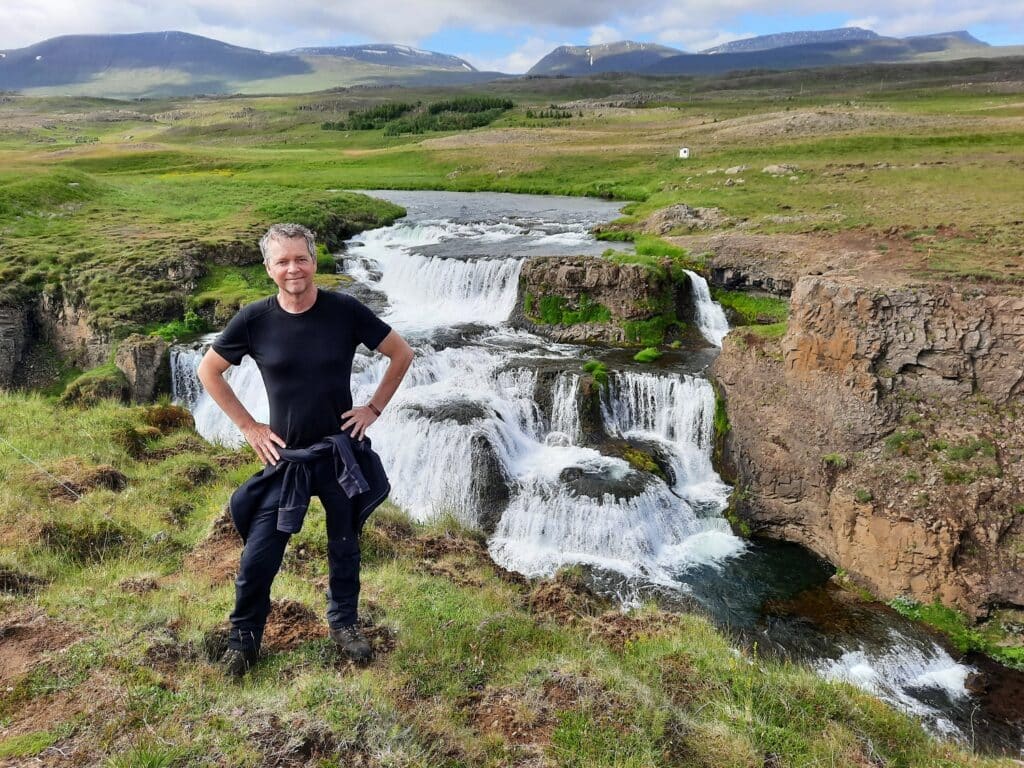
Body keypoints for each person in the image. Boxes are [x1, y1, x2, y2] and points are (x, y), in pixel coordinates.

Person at [197, 222, 413, 676]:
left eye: (301, 258)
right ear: (268, 268)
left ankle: (344, 624)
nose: (292, 268)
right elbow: (209, 372)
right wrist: (250, 427)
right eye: (282, 261)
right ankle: (244, 639)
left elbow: (401, 353)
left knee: (345, 546)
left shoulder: (345, 311)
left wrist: (372, 408)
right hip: (286, 458)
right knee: (259, 554)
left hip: (340, 455)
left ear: (314, 262)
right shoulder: (254, 320)